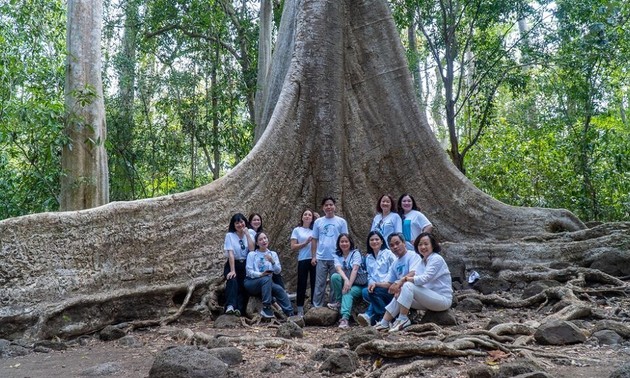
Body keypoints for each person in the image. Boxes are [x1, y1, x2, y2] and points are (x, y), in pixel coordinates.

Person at [375, 232, 452, 333]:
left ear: (432, 245)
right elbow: (417, 278)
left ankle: (403, 319)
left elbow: (424, 279)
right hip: (428, 299)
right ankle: (384, 323)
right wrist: (400, 288)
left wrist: (403, 280)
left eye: (426, 244)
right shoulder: (422, 261)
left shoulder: (436, 259)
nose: (423, 247)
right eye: (420, 244)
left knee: (407, 285)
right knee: (403, 290)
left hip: (442, 299)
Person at [244, 232, 293, 318]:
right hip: (252, 282)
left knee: (279, 289)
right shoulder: (252, 254)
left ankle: (290, 313)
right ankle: (266, 308)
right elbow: (249, 272)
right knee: (266, 279)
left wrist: (272, 261)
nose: (263, 241)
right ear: (257, 243)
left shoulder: (272, 254)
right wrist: (261, 274)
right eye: (260, 239)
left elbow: (278, 271)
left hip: (267, 283)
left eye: (265, 238)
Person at [311, 196, 349, 308]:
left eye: (331, 204)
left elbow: (346, 239)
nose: (329, 207)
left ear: (335, 206)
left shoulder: (341, 222)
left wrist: (345, 256)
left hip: (336, 257)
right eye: (326, 205)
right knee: (319, 283)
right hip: (321, 257)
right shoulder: (318, 222)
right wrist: (313, 256)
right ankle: (316, 306)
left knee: (334, 283)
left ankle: (333, 305)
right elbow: (314, 239)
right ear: (323, 208)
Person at [357, 230, 397, 326]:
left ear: (382, 241)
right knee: (365, 292)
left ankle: (372, 315)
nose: (374, 242)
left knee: (374, 292)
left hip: (388, 286)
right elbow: (370, 275)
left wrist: (380, 284)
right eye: (372, 240)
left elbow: (393, 271)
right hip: (375, 286)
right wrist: (371, 284)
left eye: (377, 239)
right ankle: (383, 317)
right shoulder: (368, 257)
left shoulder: (388, 254)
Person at [327, 233, 366, 328]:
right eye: (342, 242)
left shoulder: (355, 253)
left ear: (350, 242)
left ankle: (344, 318)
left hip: (358, 283)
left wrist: (349, 284)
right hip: (347, 279)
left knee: (347, 292)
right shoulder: (337, 254)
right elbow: (338, 268)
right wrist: (346, 280)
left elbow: (355, 269)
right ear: (338, 243)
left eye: (346, 241)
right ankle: (339, 302)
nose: (344, 244)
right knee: (335, 276)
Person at [223, 213, 255, 316]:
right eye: (237, 223)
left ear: (245, 222)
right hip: (233, 263)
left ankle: (240, 310)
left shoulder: (250, 232)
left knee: (244, 285)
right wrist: (233, 270)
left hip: (246, 264)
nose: (240, 225)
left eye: (241, 222)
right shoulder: (230, 236)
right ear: (233, 225)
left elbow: (252, 249)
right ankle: (230, 306)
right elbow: (231, 254)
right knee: (232, 281)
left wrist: (247, 235)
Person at [290, 208, 316, 317]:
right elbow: (293, 246)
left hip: (314, 259)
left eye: (309, 215)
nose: (307, 216)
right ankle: (300, 308)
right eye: (305, 214)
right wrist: (305, 243)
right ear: (302, 217)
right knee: (302, 283)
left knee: (315, 283)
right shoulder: (297, 230)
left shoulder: (315, 229)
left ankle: (314, 306)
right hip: (303, 259)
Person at [249, 212, 285, 289]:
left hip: (262, 255)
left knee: (274, 271)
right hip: (253, 257)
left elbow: (277, 270)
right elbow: (251, 248)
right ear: (250, 222)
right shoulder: (249, 232)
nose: (256, 222)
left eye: (258, 220)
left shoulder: (260, 233)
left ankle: (281, 291)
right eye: (254, 220)